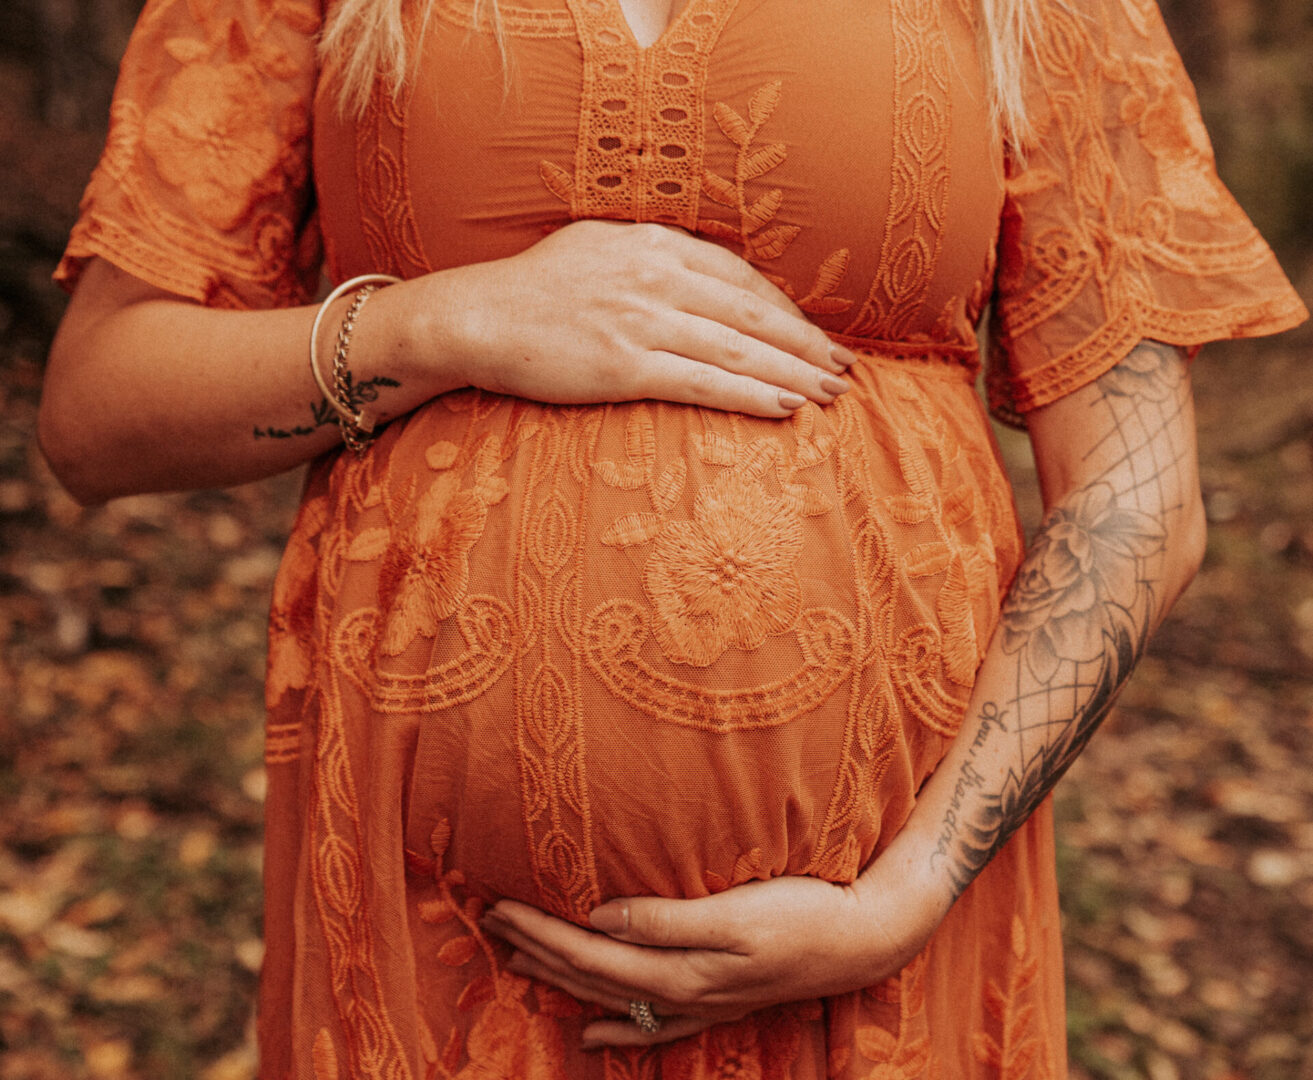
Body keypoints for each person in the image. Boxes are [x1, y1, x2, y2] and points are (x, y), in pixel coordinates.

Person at [39, 0, 1306, 1075]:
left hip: (872, 972)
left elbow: (1135, 497)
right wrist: (439, 325)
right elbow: (99, 412)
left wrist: (908, 890)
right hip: (438, 955)